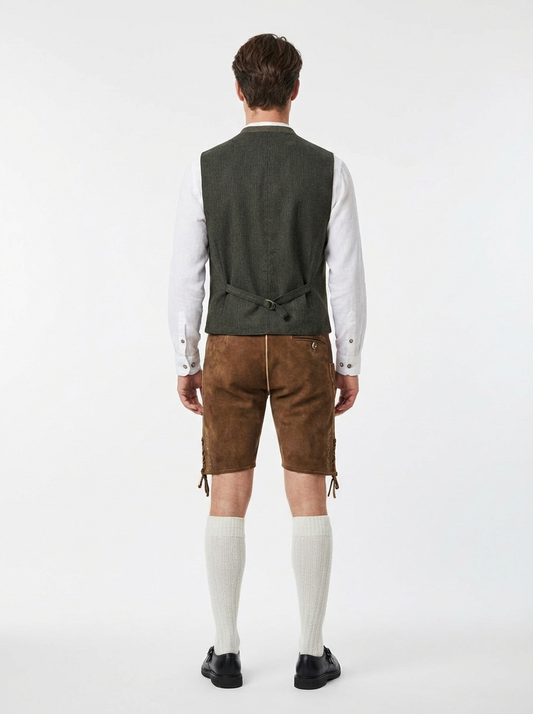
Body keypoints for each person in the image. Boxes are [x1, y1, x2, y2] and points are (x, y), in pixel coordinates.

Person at [168, 33, 366, 690]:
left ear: (238, 90)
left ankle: (225, 654)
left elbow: (186, 275)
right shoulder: (329, 169)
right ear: (295, 90)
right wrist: (348, 360)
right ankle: (310, 656)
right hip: (304, 345)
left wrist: (185, 357)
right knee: (307, 495)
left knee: (228, 494)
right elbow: (346, 276)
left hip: (227, 345)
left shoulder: (205, 169)